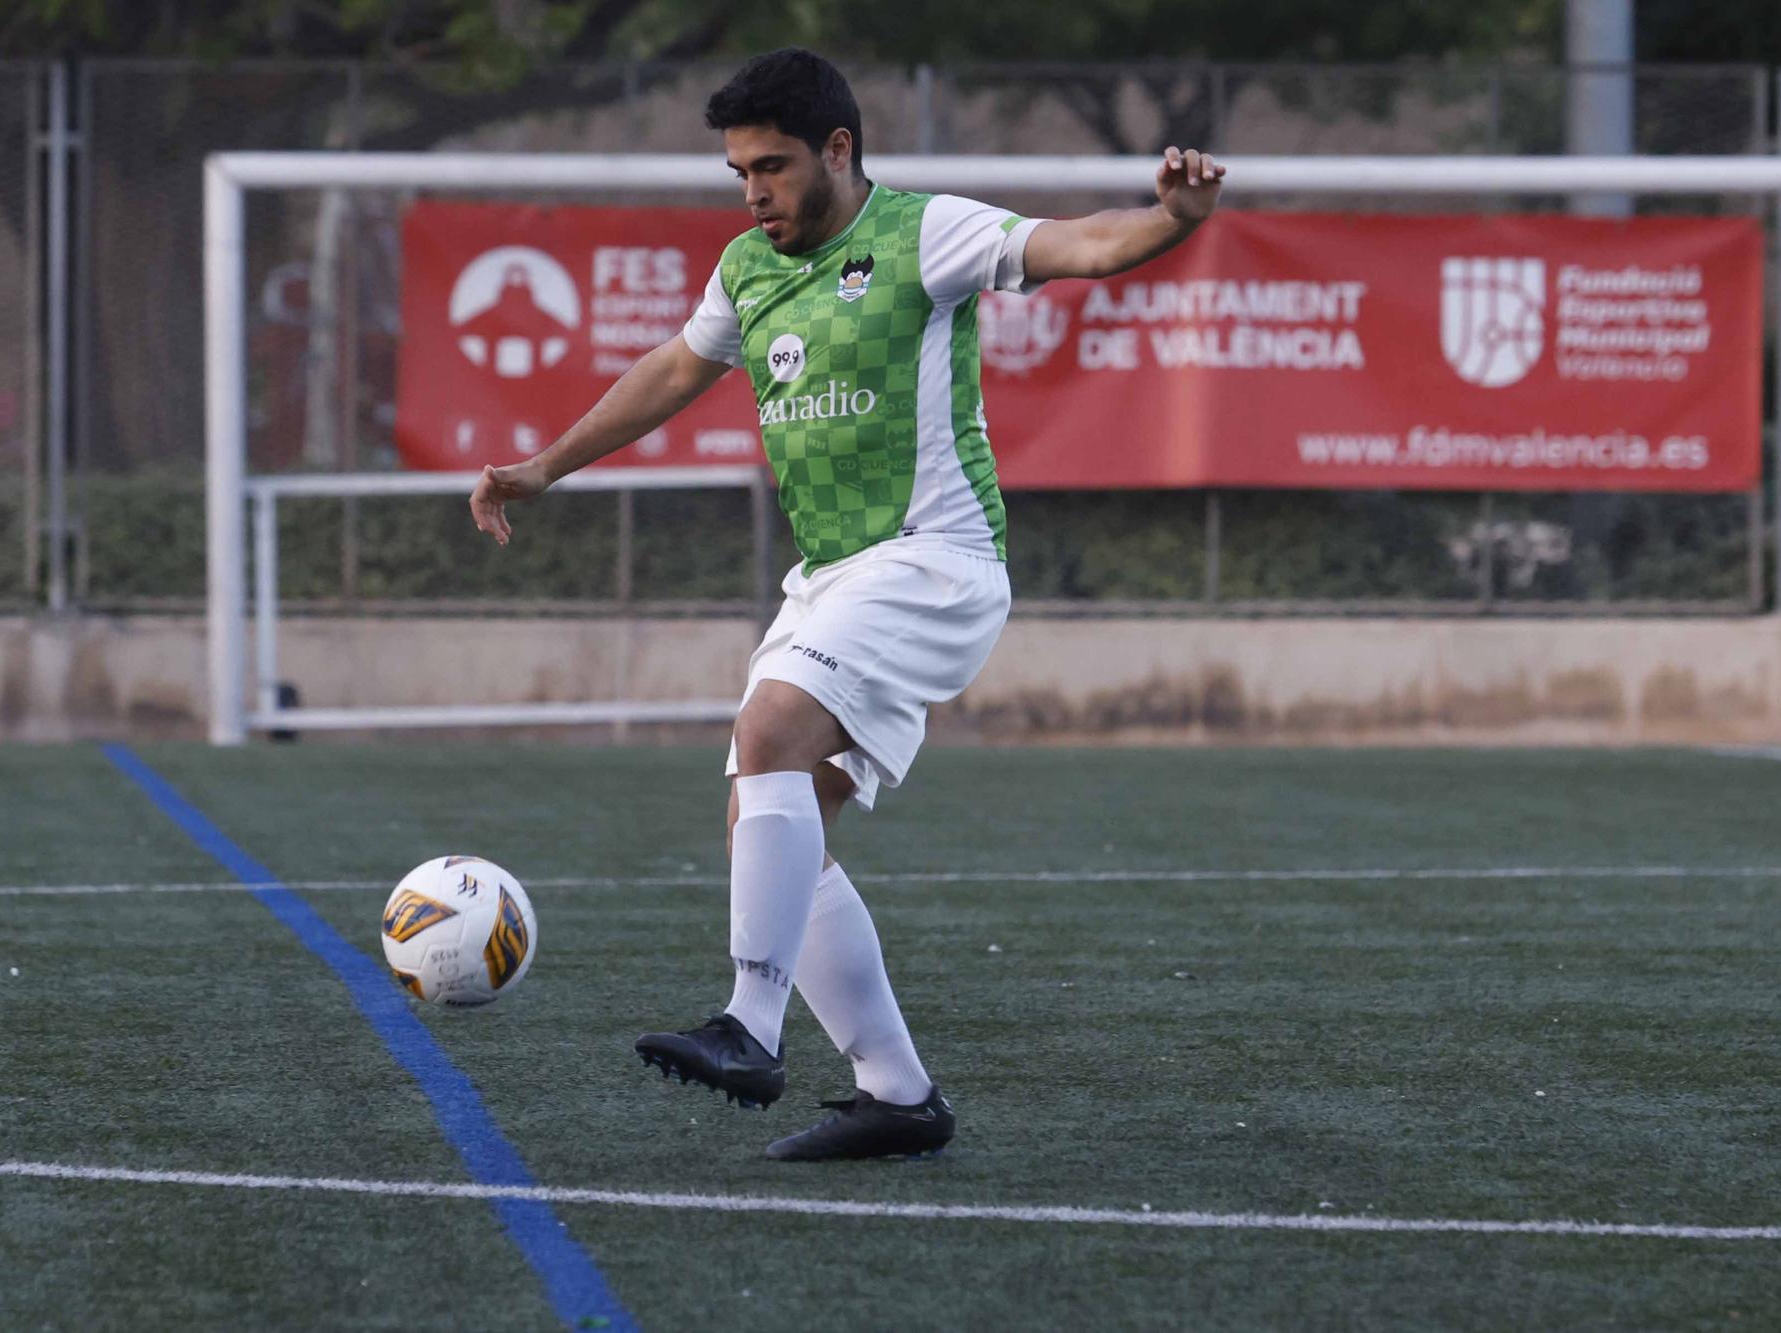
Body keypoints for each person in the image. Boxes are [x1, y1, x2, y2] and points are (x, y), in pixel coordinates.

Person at [470, 47, 1224, 1161]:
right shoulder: (745, 267)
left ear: (836, 149)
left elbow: (1076, 248)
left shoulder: (926, 233)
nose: (753, 192)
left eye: (771, 167)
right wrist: (542, 466)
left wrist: (1170, 220)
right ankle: (897, 1094)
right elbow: (671, 373)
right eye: (738, 173)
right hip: (829, 578)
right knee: (773, 819)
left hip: (932, 558)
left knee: (766, 727)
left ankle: (747, 1027)